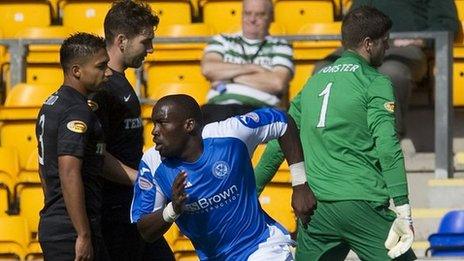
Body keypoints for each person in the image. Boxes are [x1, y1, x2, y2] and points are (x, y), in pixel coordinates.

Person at [255, 6, 417, 260]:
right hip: (361, 203)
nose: (387, 48)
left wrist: (253, 190)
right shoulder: (375, 81)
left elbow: (280, 142)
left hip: (318, 211)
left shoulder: (313, 83)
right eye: (384, 42)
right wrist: (403, 208)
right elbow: (387, 145)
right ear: (368, 44)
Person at [130, 94, 316, 260]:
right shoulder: (152, 163)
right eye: (153, 123)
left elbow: (282, 121)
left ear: (189, 125)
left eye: (161, 123)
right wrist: (173, 209)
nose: (154, 131)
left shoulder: (231, 135)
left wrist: (300, 183)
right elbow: (145, 231)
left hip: (262, 247)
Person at [36, 33, 137, 261]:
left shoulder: (52, 104)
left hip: (59, 223)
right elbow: (68, 170)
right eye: (101, 67)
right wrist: (82, 234)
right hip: (71, 230)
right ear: (76, 71)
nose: (109, 72)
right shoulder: (77, 111)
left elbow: (43, 167)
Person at [87, 1, 175, 260]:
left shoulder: (120, 81)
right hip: (112, 213)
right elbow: (96, 153)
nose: (151, 49)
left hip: (131, 206)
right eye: (145, 41)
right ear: (122, 40)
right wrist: (141, 179)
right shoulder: (102, 89)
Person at [313, 0, 459, 138]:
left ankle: (387, 144)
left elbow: (448, 24)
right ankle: (328, 141)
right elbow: (353, 20)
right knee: (323, 69)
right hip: (362, 46)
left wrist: (418, 39)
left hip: (405, 47)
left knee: (390, 73)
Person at [200, 0, 294, 124]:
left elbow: (277, 83)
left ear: (271, 17)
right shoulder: (222, 40)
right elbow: (208, 69)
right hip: (218, 108)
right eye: (247, 13)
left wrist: (230, 78)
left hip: (260, 109)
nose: (252, 19)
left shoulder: (280, 46)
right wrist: (254, 68)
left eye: (259, 14)